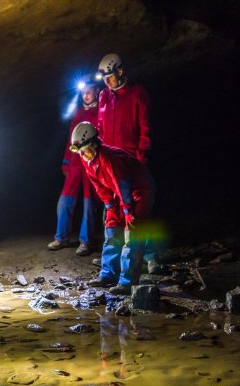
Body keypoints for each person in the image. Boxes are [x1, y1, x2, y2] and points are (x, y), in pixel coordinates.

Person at [69, 121, 154, 295]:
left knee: (132, 232)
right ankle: (108, 275)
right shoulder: (87, 159)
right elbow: (99, 185)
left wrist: (128, 210)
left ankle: (127, 282)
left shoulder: (109, 158)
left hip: (140, 191)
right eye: (79, 151)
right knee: (112, 230)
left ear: (94, 144)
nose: (82, 155)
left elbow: (123, 184)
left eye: (84, 150)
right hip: (119, 193)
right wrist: (109, 205)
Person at [95, 53, 159, 272]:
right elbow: (100, 130)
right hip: (111, 165)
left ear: (120, 71)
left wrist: (140, 159)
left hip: (131, 163)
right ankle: (113, 260)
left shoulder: (137, 94)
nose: (106, 81)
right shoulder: (104, 96)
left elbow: (145, 129)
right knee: (113, 211)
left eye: (109, 76)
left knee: (138, 211)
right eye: (103, 78)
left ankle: (149, 257)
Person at [49, 78, 101, 255]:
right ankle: (61, 237)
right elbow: (71, 138)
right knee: (65, 200)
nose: (85, 95)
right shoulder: (78, 112)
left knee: (89, 202)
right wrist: (66, 160)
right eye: (83, 92)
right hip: (76, 162)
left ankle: (86, 241)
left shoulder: (101, 111)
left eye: (89, 92)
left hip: (92, 160)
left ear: (96, 91)